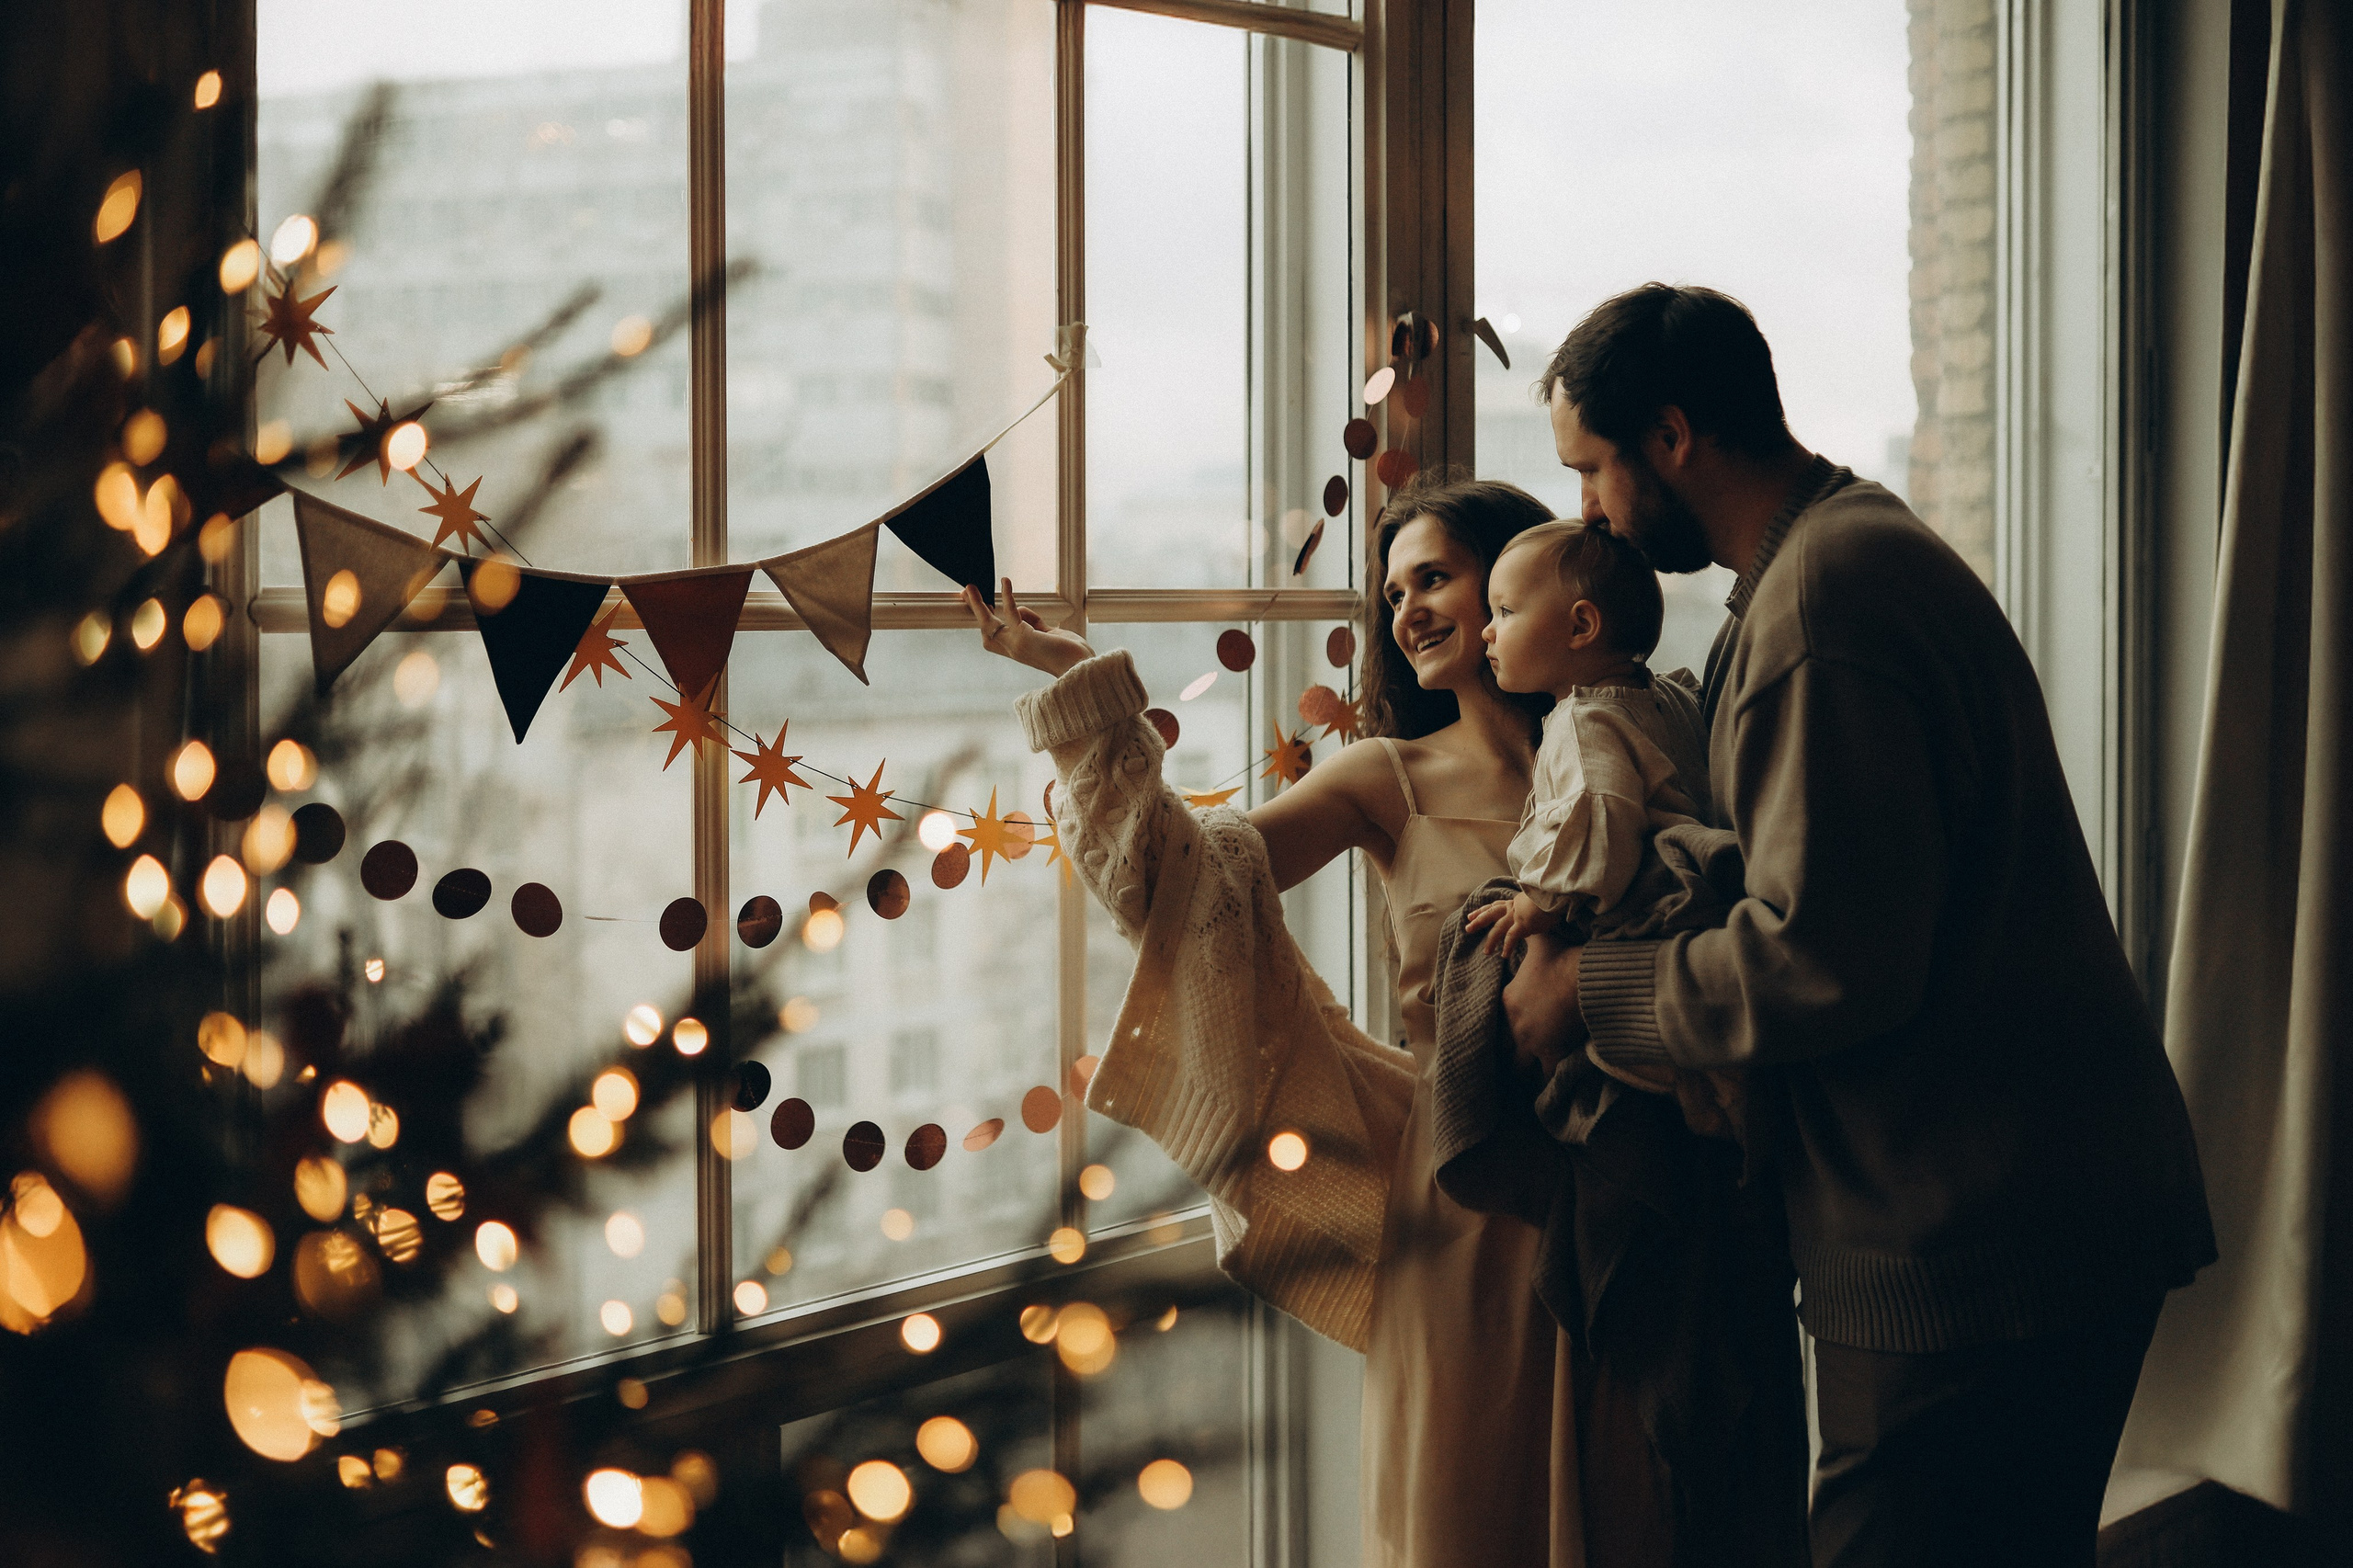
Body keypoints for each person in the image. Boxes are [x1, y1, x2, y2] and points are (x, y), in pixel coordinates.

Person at [1503, 282, 2217, 1567]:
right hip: (2031, 1205)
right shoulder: (1841, 552)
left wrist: (1589, 993)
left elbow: (1826, 958)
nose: (1592, 515)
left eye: (1595, 470)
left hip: (1974, 1237)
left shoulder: (1819, 611)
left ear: (1672, 436)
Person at [963, 475, 1753, 1566]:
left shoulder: (1658, 738)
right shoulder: (1387, 774)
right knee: (1476, 1519)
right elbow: (1181, 886)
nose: (1407, 610)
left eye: (1434, 576)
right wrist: (1080, 689)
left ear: (1529, 584)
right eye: (1391, 593)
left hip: (1655, 1192)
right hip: (1471, 1211)